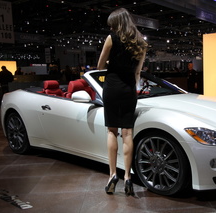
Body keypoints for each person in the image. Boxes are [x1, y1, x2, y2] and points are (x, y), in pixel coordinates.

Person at [97, 7, 147, 196]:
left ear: (116, 23)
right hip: (128, 89)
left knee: (112, 130)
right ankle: (127, 176)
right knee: (128, 133)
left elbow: (100, 65)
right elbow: (137, 72)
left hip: (112, 88)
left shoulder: (111, 38)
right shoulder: (141, 43)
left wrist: (111, 63)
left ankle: (112, 175)